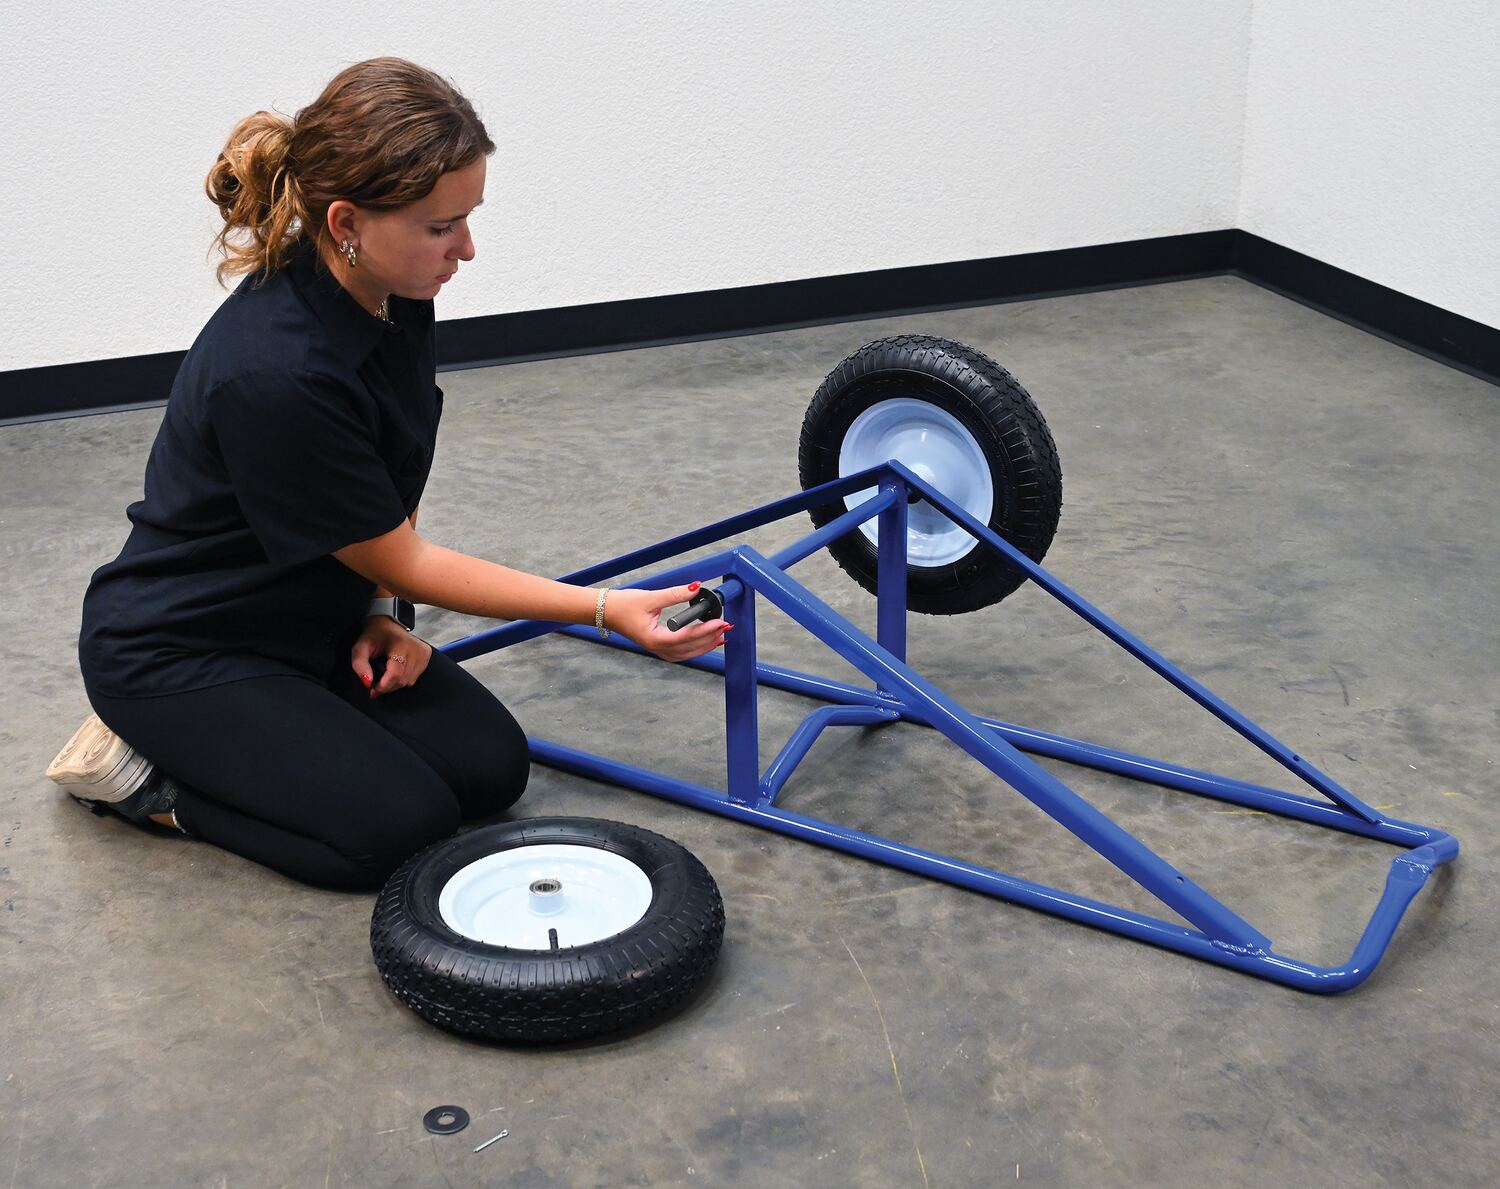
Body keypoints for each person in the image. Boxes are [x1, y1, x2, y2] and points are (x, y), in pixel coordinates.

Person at [47, 58, 727, 891]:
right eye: (444, 226)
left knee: (490, 768)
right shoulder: (276, 372)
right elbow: (406, 557)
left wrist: (377, 612)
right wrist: (604, 608)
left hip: (312, 614)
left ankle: (288, 727)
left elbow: (387, 483)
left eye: (468, 218)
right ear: (347, 223)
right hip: (187, 650)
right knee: (394, 832)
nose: (466, 249)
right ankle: (147, 784)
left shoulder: (392, 292)